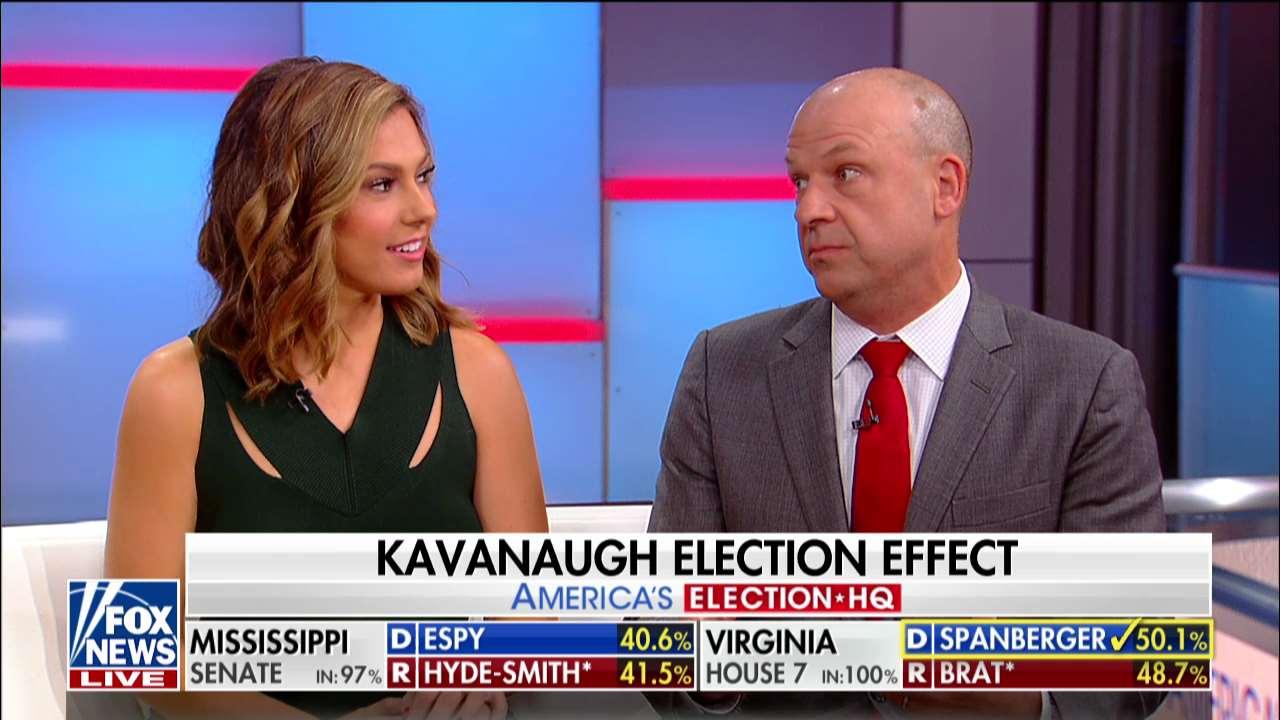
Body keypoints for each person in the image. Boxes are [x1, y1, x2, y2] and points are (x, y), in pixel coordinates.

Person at [648, 67, 1166, 718]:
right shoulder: (722, 371)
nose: (809, 210)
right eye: (800, 182)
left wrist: (1004, 693)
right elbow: (661, 641)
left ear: (944, 186)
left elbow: (1137, 656)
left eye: (846, 174)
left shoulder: (1083, 382)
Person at [104, 57, 547, 719]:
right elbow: (139, 659)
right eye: (382, 184)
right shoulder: (174, 392)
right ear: (294, 204)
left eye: (423, 176)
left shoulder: (479, 372)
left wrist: (475, 679)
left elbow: (534, 618)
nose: (424, 210)